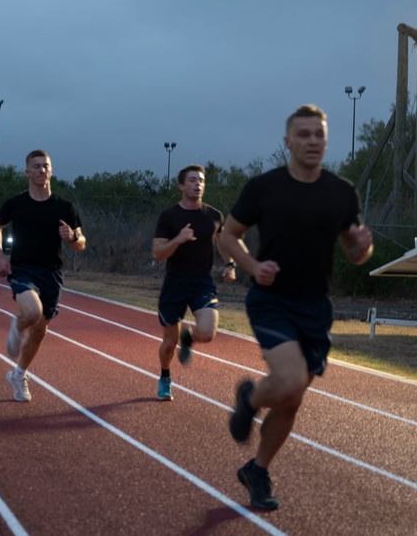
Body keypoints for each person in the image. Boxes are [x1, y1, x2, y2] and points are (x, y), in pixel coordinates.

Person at [218, 105, 373, 511]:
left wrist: (362, 246)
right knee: (288, 383)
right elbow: (228, 236)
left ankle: (257, 468)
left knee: (292, 399)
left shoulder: (341, 192)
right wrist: (252, 265)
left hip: (315, 306)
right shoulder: (264, 188)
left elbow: (356, 253)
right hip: (271, 300)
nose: (311, 142)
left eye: (318, 135)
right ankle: (251, 398)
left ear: (325, 140)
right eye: (302, 135)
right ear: (287, 142)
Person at [0, 149, 85, 402]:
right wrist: (0, 256)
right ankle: (18, 326)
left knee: (41, 331)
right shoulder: (16, 204)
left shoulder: (64, 207)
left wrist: (74, 237)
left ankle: (18, 374)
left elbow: (80, 242)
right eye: (37, 166)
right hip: (22, 269)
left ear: (51, 171)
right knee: (31, 312)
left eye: (46, 166)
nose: (42, 170)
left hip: (52, 272)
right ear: (27, 172)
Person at [151, 164, 236, 401]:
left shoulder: (213, 215)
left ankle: (189, 337)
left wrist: (230, 265)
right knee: (169, 343)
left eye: (201, 180)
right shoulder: (169, 217)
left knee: (208, 332)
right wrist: (178, 239)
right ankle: (165, 376)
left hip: (202, 282)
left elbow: (223, 242)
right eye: (192, 180)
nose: (197, 184)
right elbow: (157, 254)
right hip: (175, 284)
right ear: (181, 186)